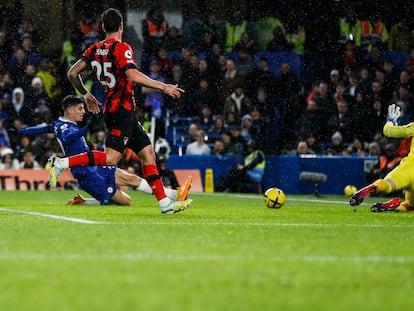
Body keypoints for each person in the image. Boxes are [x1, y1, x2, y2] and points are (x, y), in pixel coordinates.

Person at [49, 8, 192, 214]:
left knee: (148, 154)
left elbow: (72, 73)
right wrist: (163, 86)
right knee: (110, 159)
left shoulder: (94, 49)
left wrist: (86, 94)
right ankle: (62, 163)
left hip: (124, 112)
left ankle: (165, 204)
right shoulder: (121, 48)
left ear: (103, 27)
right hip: (120, 111)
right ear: (122, 26)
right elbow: (133, 75)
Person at [19, 95, 191, 206]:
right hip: (86, 173)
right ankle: (84, 202)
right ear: (70, 110)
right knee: (125, 201)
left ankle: (174, 195)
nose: (83, 112)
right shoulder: (65, 128)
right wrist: (86, 129)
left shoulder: (57, 124)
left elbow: (41, 129)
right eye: (80, 109)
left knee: (131, 178)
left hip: (95, 164)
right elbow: (67, 139)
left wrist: (22, 131)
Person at [350, 104, 414, 212]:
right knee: (410, 206)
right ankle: (394, 205)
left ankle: (375, 186)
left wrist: (391, 121)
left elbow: (388, 131)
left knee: (388, 185)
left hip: (408, 167)